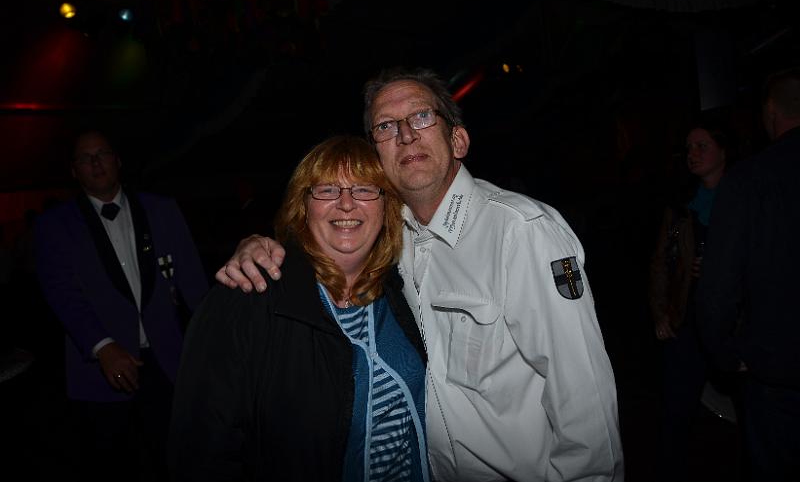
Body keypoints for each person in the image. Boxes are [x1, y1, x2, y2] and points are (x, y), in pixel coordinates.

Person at [216, 67, 624, 481]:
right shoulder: (390, 238)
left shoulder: (520, 233)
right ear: (377, 159)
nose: (406, 135)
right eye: (386, 126)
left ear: (458, 140)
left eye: (422, 117)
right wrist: (261, 246)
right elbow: (328, 229)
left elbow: (583, 395)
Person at [168, 135, 429, 482]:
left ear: (386, 208)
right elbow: (200, 452)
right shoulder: (249, 297)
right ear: (303, 206)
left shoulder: (400, 290)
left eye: (364, 189)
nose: (346, 204)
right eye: (327, 190)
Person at [34, 129, 209, 482]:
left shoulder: (162, 210)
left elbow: (193, 281)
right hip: (100, 369)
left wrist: (214, 340)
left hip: (165, 361)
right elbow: (62, 294)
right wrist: (102, 346)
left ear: (118, 160)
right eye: (86, 158)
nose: (96, 162)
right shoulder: (55, 225)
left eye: (102, 153)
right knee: (111, 462)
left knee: (174, 456)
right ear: (74, 171)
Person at [695, 67, 800, 482]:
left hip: (779, 374)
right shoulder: (690, 203)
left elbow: (717, 290)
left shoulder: (749, 181)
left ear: (770, 113)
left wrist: (727, 355)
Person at [648, 118, 738, 481]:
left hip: (734, 324)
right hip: (687, 321)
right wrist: (661, 313)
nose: (693, 154)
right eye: (689, 148)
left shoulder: (744, 200)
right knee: (677, 409)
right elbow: (660, 263)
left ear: (723, 151)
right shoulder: (681, 208)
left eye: (702, 146)